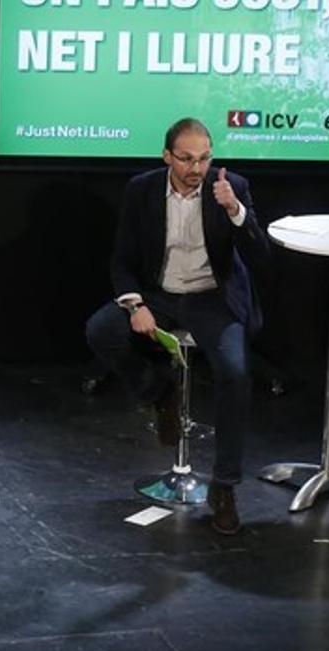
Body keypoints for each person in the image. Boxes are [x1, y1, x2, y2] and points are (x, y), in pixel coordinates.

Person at [84, 117, 269, 535]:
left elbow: (261, 259)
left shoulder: (231, 187)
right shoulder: (142, 189)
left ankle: (224, 488)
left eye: (204, 158)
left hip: (212, 299)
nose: (196, 168)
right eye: (186, 158)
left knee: (237, 374)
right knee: (101, 330)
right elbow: (122, 259)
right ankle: (160, 393)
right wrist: (135, 306)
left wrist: (235, 212)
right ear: (167, 156)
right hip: (160, 293)